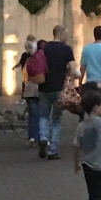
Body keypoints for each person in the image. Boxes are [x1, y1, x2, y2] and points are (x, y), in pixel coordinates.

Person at [35, 23, 76, 160]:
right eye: (66, 34)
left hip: (44, 87)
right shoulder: (66, 49)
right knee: (56, 119)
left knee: (43, 116)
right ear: (60, 33)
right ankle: (53, 150)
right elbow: (73, 69)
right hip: (59, 88)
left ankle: (43, 137)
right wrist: (71, 79)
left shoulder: (44, 48)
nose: (67, 37)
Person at [80, 24, 101, 97]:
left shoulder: (87, 49)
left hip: (90, 82)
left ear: (94, 35)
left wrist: (80, 84)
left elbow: (82, 68)